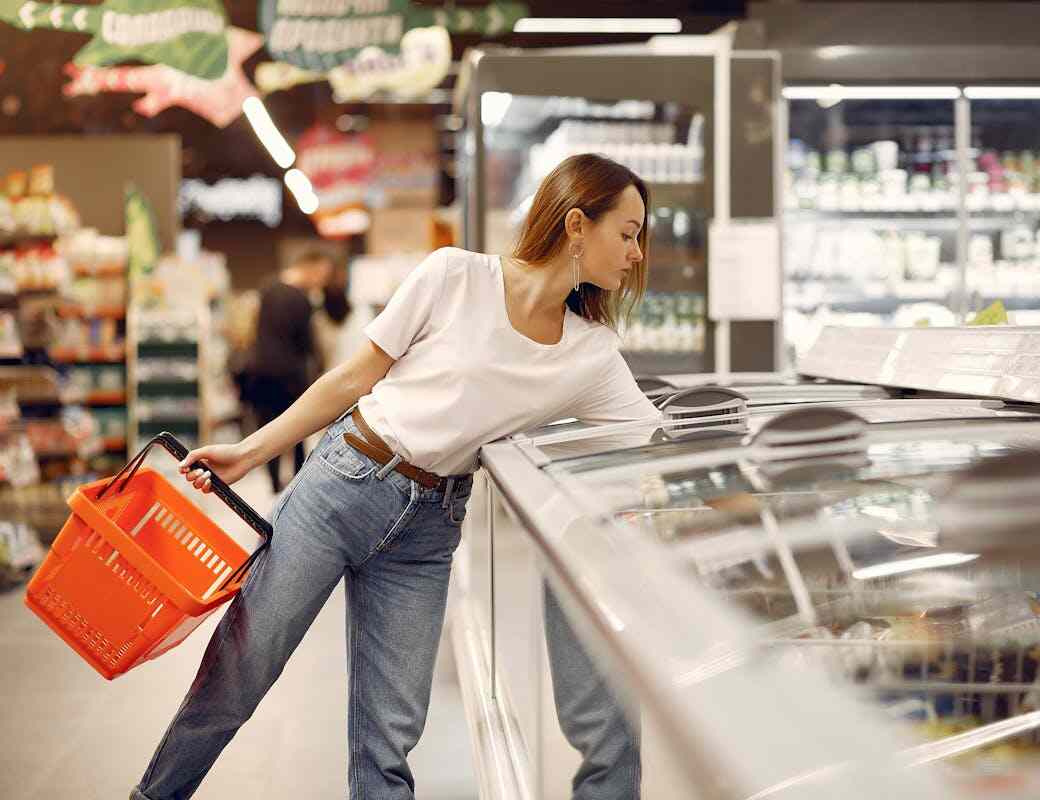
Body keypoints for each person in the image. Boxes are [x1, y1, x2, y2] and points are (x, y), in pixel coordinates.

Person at [130, 153, 660, 800]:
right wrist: (252, 451)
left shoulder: (591, 353)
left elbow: (653, 443)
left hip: (429, 530)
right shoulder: (454, 276)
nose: (636, 254)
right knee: (242, 670)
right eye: (628, 232)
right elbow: (355, 378)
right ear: (577, 224)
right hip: (344, 483)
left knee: (390, 735)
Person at [242, 249, 332, 493]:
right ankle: (297, 485)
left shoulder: (267, 288)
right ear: (310, 268)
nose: (321, 281)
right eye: (321, 275)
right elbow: (306, 344)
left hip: (260, 370)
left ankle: (273, 484)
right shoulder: (301, 299)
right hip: (290, 373)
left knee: (267, 425)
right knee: (297, 428)